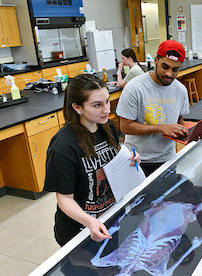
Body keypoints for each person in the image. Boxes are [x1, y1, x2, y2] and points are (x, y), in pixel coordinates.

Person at [44, 74, 140, 246]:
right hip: (79, 230)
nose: (106, 110)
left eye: (107, 101)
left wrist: (131, 157)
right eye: (97, 105)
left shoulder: (107, 127)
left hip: (109, 218)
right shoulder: (63, 147)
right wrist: (90, 222)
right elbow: (65, 198)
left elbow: (115, 158)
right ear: (77, 107)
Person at [116, 40, 190, 176]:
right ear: (156, 61)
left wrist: (190, 133)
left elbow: (179, 120)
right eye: (165, 67)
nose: (169, 74)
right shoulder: (134, 87)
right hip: (137, 160)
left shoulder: (180, 90)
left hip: (168, 159)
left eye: (175, 70)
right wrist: (162, 128)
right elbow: (125, 127)